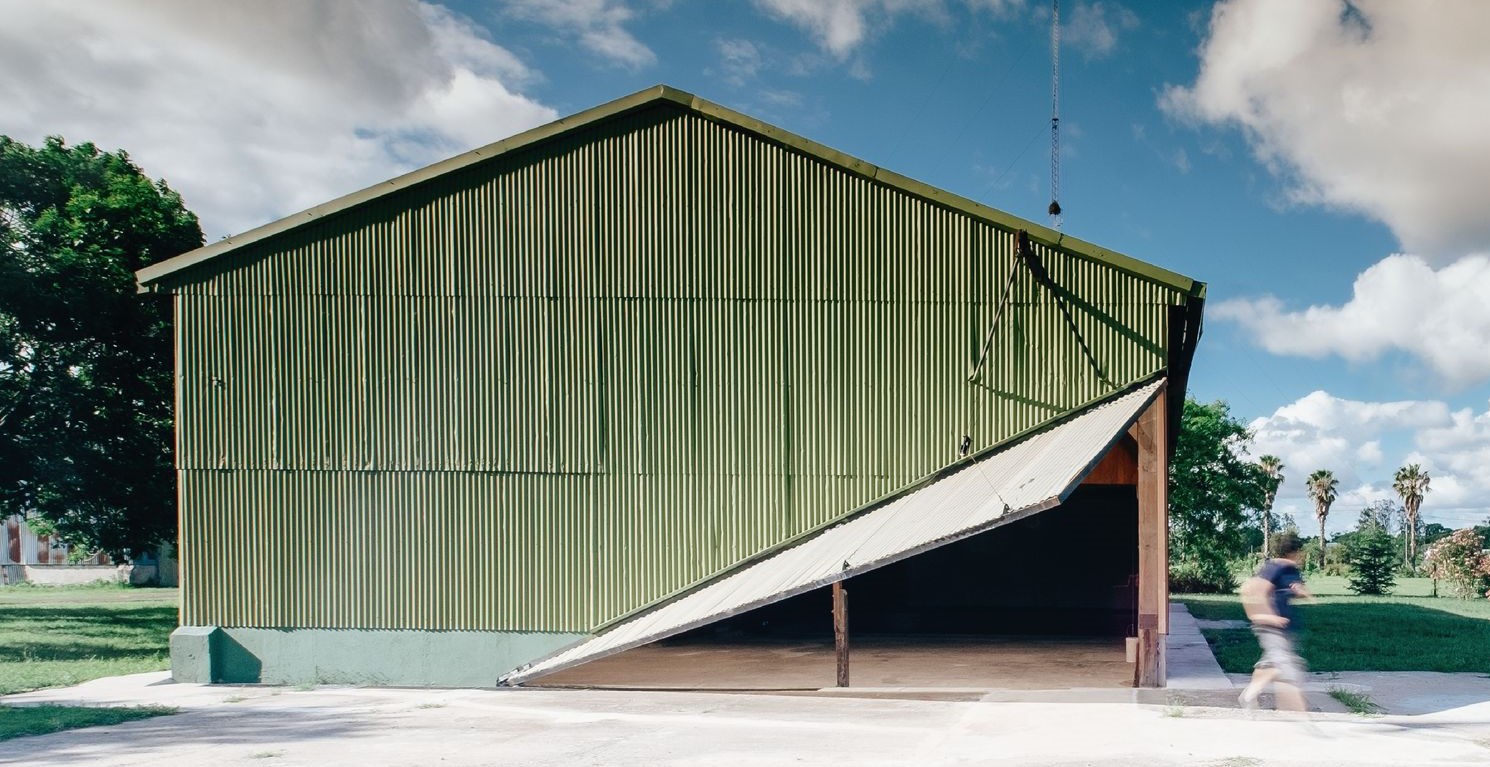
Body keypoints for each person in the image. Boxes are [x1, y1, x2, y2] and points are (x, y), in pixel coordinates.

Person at [1238, 531, 1312, 712]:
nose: (1302, 556)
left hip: (1285, 626)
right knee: (1287, 668)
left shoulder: (1292, 570)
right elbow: (1253, 590)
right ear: (1293, 552)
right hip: (1270, 626)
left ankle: (1249, 696)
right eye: (1300, 552)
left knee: (1272, 664)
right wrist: (1268, 616)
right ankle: (1298, 716)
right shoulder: (1274, 567)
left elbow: (1293, 589)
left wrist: (1300, 592)